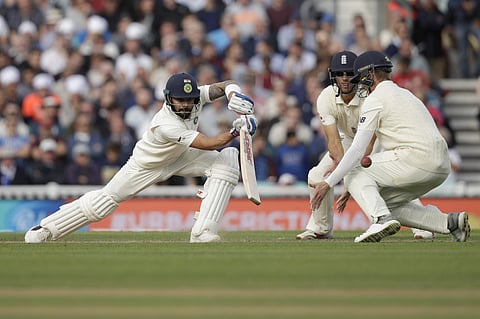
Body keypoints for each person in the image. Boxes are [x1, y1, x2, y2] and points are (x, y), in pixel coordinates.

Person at [25, 72, 257, 244]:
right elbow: (207, 143)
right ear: (168, 99)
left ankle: (203, 232)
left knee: (227, 161)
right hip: (146, 165)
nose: (186, 104)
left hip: (181, 155)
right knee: (104, 203)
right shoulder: (165, 123)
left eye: (190, 99)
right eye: (180, 100)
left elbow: (223, 85)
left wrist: (234, 94)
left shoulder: (194, 99)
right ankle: (47, 229)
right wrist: (236, 131)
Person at [309, 50, 470, 243]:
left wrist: (328, 183)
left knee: (354, 170)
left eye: (361, 78)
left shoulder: (374, 100)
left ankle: (380, 218)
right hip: (442, 165)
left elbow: (357, 150)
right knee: (385, 201)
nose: (359, 83)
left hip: (416, 159)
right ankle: (449, 222)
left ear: (370, 75)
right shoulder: (406, 93)